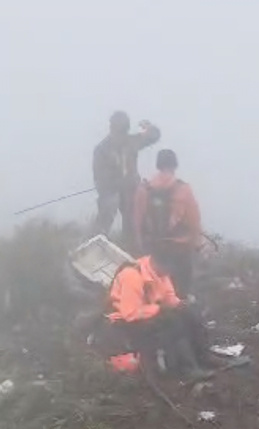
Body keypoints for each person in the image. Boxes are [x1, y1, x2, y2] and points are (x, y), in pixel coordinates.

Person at [105, 244, 215, 378]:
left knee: (190, 314)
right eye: (170, 267)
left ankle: (204, 357)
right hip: (124, 322)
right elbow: (130, 313)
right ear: (159, 262)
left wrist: (181, 305)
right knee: (173, 323)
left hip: (148, 313)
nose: (170, 272)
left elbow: (169, 297)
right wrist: (159, 309)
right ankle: (187, 369)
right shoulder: (132, 275)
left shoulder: (161, 272)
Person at [132, 149, 202, 297]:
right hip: (178, 250)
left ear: (158, 164)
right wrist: (196, 244)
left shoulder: (143, 189)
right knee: (180, 293)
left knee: (152, 292)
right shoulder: (184, 189)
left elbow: (138, 221)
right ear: (175, 165)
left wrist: (141, 246)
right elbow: (194, 222)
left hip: (152, 249)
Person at [92, 111, 161, 241]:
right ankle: (97, 241)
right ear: (112, 128)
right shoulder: (102, 149)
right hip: (111, 191)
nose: (121, 134)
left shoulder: (131, 142)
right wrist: (114, 184)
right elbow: (99, 179)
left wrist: (149, 127)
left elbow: (154, 136)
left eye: (124, 130)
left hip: (131, 190)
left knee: (135, 216)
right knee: (108, 207)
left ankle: (132, 243)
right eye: (119, 130)